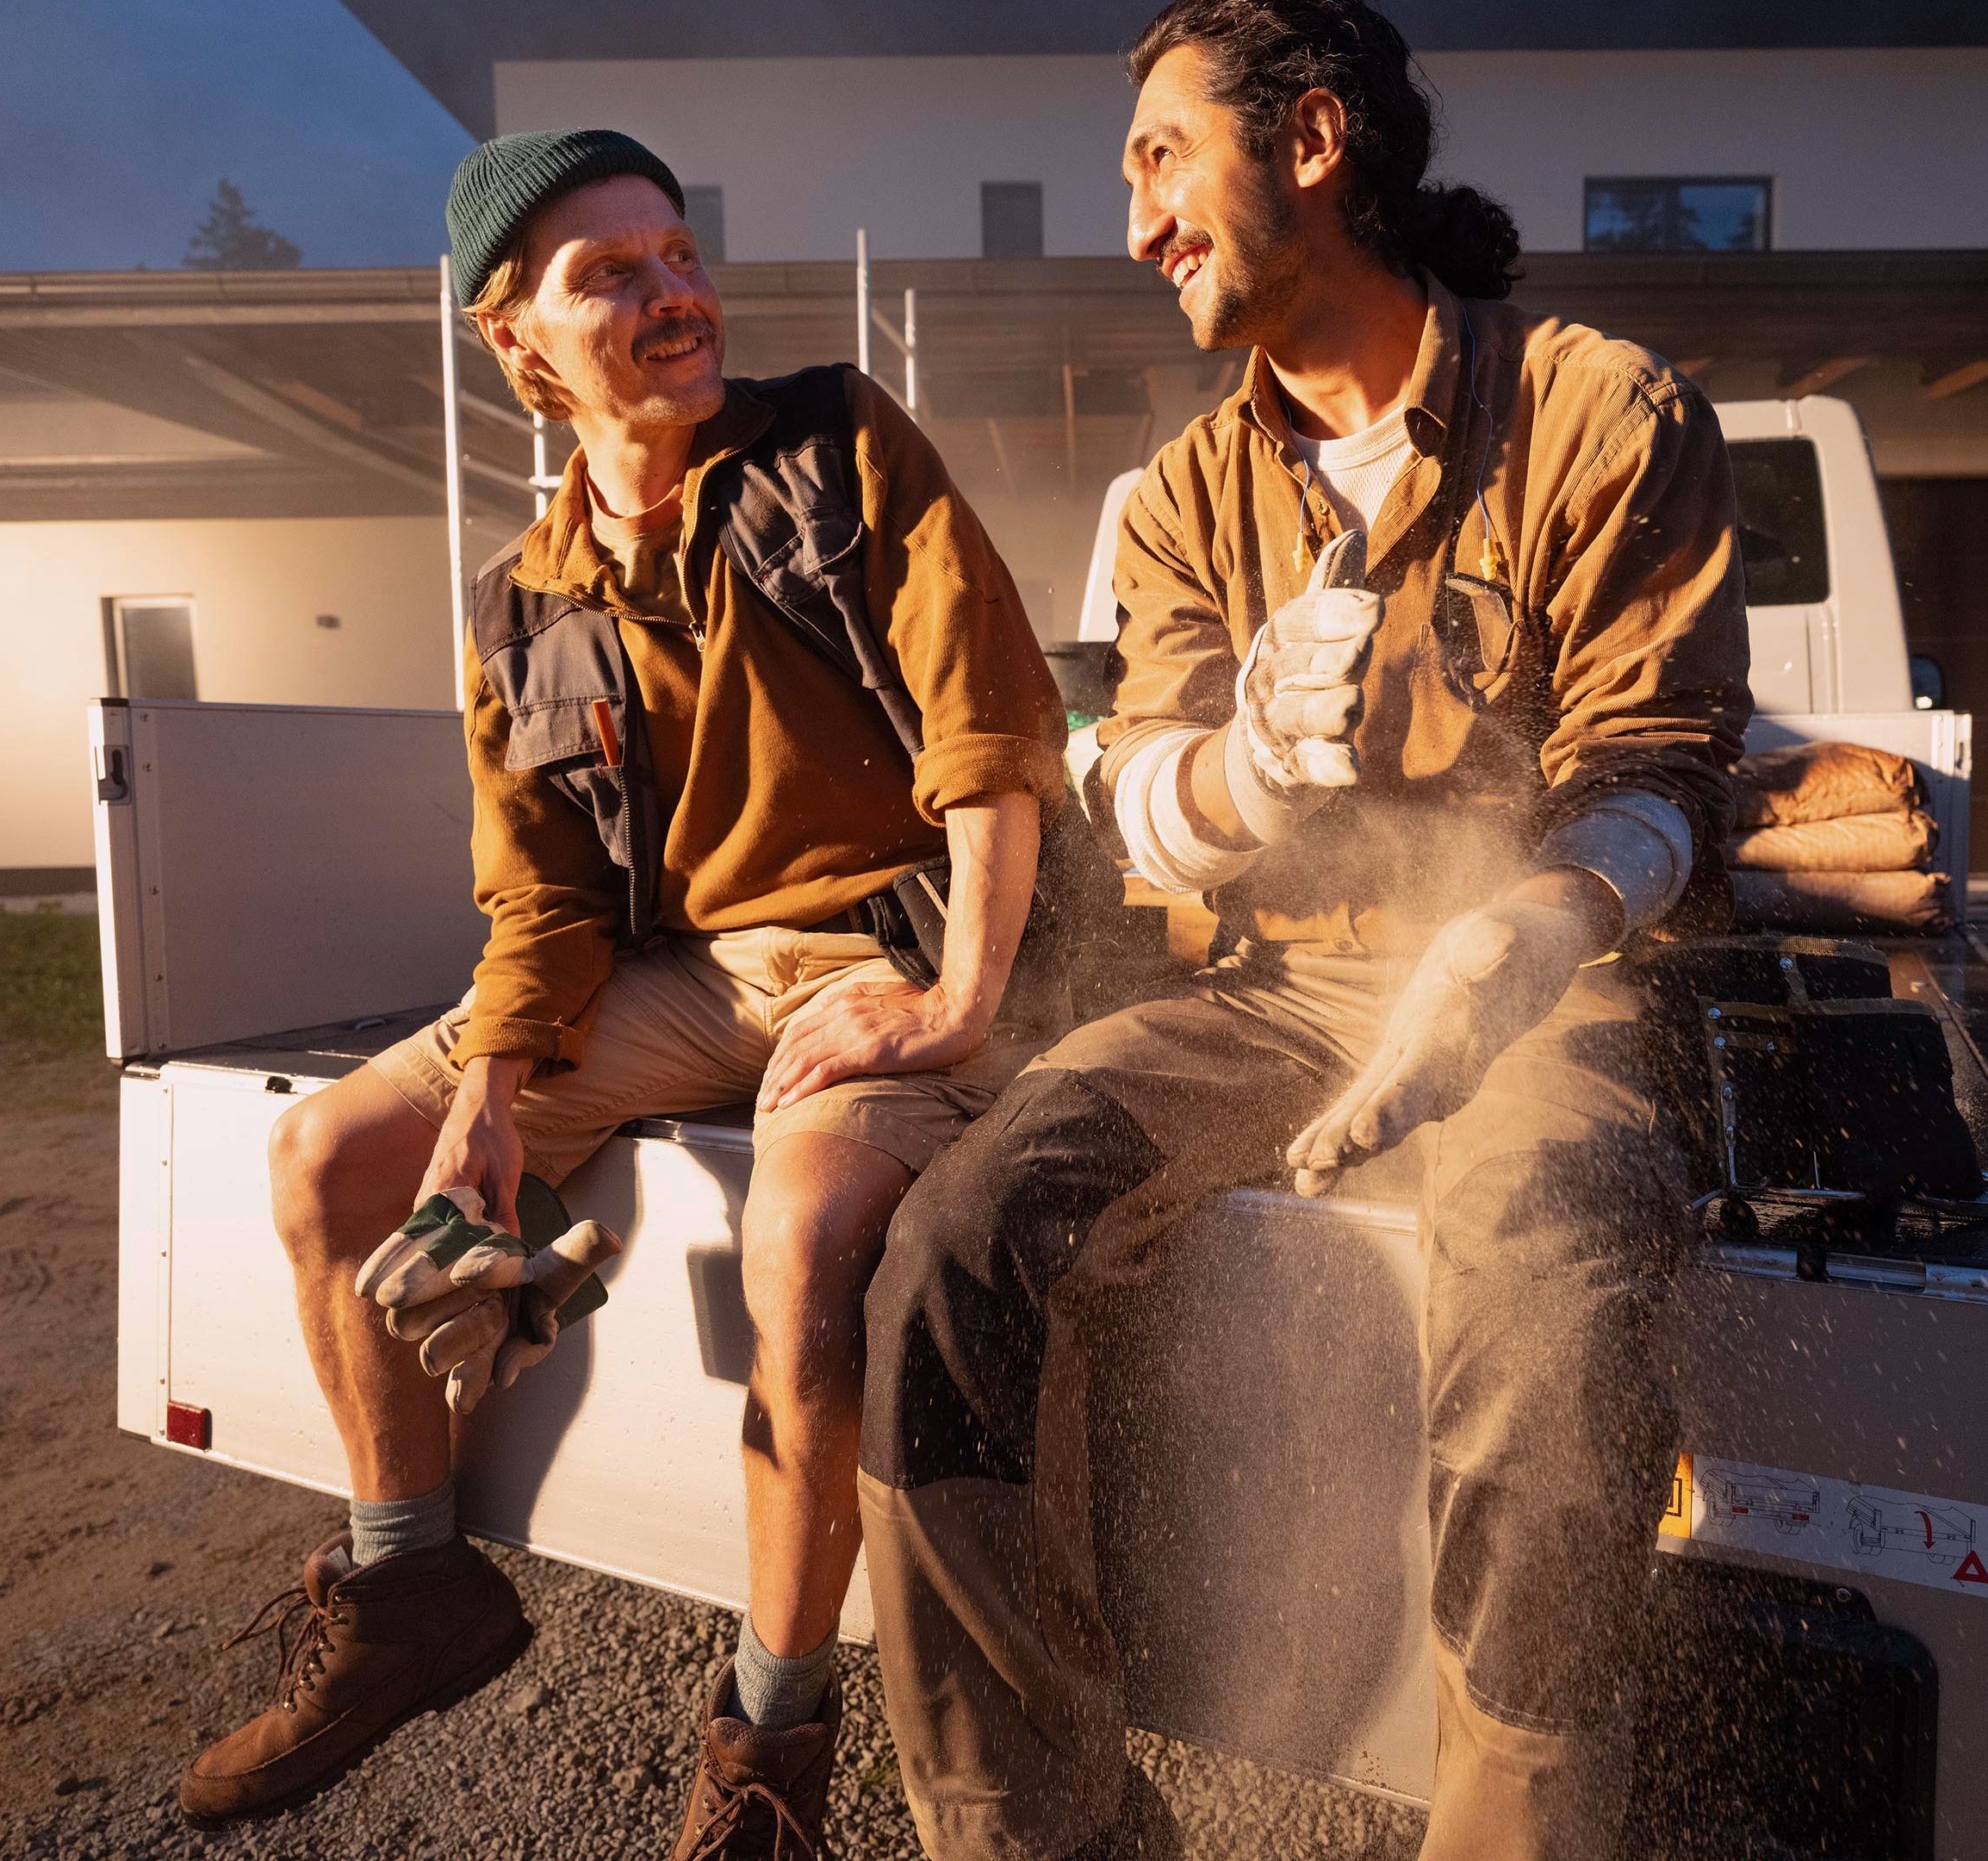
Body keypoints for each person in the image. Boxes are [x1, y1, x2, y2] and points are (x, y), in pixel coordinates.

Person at [857, 3, 1754, 1856]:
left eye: (1163, 159)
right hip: (1278, 994)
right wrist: (1249, 778)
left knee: (1551, 1275)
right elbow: (1150, 789)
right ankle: (1035, 1824)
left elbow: (1665, 762)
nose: (1137, 224)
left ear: (1316, 141)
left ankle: (1512, 1825)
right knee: (951, 1244)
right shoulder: (1187, 492)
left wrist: (1533, 925)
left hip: (1537, 987)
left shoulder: (1599, 410)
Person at [173, 128, 1070, 1860]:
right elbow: (543, 896)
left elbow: (990, 734)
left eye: (676, 255)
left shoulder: (834, 448)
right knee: (336, 1169)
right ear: (513, 341)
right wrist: (494, 1106)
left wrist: (960, 1002)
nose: (675, 298)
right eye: (612, 276)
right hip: (685, 974)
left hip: (887, 951)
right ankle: (409, 1590)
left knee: (804, 1268)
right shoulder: (522, 598)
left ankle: (771, 1752)